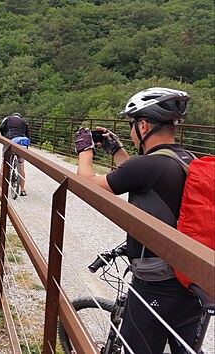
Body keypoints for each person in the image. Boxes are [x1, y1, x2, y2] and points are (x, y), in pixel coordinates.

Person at [74, 87, 201, 353]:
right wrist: (117, 150)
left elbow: (87, 183)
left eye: (132, 125)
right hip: (189, 276)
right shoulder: (184, 158)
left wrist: (84, 150)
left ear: (143, 125)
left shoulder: (147, 166)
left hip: (157, 282)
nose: (132, 131)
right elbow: (146, 182)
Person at [0, 113, 30, 196]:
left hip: (10, 141)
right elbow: (27, 135)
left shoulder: (8, 118)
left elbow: (2, 128)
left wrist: (3, 136)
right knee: (21, 166)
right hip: (20, 144)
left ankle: (0, 188)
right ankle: (22, 190)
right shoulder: (24, 122)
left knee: (4, 163)